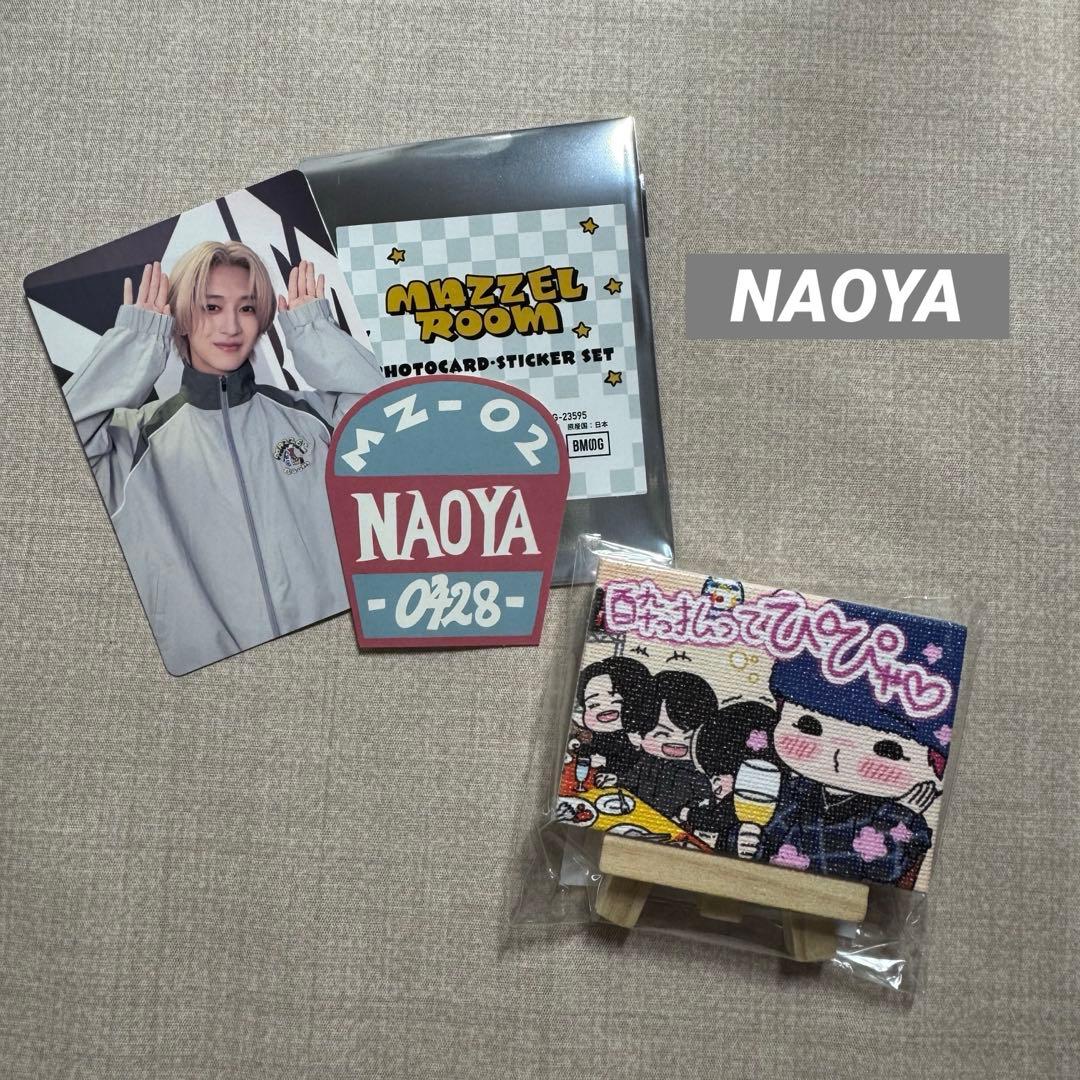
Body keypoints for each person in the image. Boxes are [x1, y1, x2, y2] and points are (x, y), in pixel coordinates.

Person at [63, 244, 384, 675]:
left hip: (337, 663)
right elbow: (53, 441)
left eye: (247, 308)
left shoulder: (311, 417)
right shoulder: (131, 443)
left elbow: (388, 414)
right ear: (180, 318)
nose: (231, 326)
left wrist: (313, 332)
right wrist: (137, 343)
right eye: (210, 307)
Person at [736, 599, 964, 887]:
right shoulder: (794, 791)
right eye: (808, 726)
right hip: (761, 886)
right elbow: (766, 836)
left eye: (888, 750)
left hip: (837, 899)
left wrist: (902, 816)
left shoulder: (891, 815)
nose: (839, 753)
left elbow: (883, 869)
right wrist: (746, 841)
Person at [620, 670, 719, 825]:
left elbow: (704, 801)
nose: (678, 742)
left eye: (689, 737)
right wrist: (617, 781)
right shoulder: (648, 760)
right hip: (637, 819)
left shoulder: (697, 772)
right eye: (662, 734)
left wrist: (683, 815)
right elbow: (631, 780)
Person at [570, 655, 651, 786]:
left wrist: (618, 778)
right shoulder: (605, 736)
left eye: (616, 701)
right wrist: (577, 744)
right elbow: (598, 746)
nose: (604, 709)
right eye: (593, 705)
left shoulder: (641, 739)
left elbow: (638, 769)